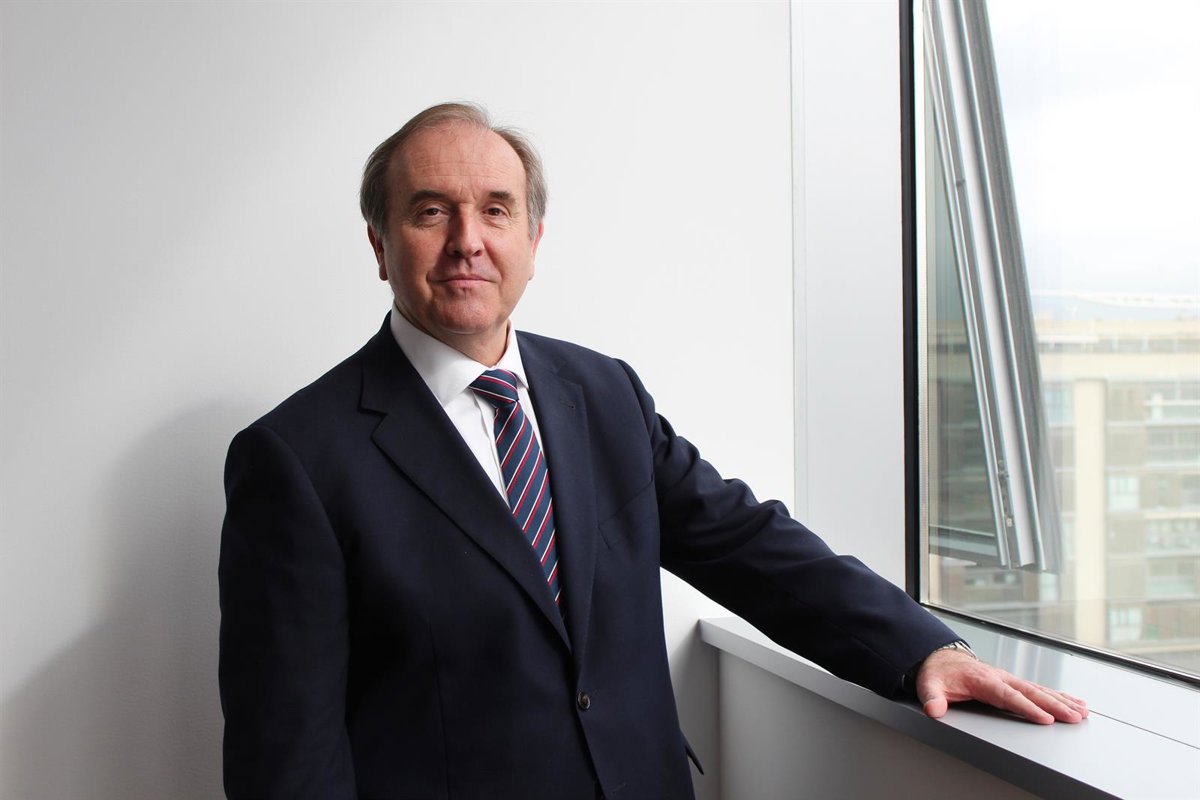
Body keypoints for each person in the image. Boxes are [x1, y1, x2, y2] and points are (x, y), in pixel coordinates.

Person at [218, 102, 1087, 799]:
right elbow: (287, 753)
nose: (467, 241)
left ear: (533, 242)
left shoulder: (603, 394)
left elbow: (745, 543)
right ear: (380, 244)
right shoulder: (296, 459)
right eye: (430, 211)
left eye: (496, 210)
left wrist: (923, 649)